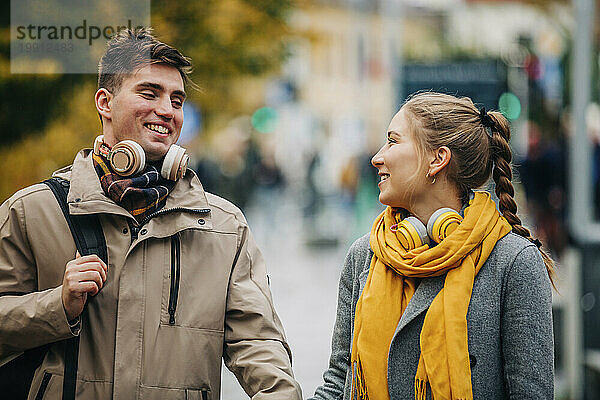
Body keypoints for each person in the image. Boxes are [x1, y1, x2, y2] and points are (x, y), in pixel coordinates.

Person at [0, 28, 302, 399]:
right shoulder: (33, 212)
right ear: (105, 103)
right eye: (149, 93)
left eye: (177, 100)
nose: (167, 110)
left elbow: (259, 345)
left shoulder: (224, 227)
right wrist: (56, 305)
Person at [310, 92, 554, 400]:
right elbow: (338, 381)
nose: (377, 157)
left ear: (437, 159)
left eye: (393, 141)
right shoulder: (365, 255)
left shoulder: (513, 262)